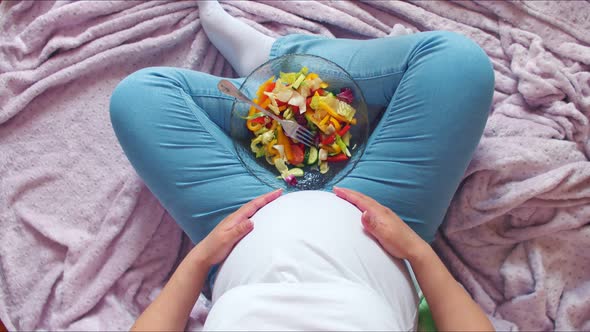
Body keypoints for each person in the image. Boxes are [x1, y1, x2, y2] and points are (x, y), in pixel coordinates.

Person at [109, 1, 495, 330]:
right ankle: (289, 73)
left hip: (239, 225)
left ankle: (279, 75)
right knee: (457, 62)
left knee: (139, 96)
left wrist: (201, 259)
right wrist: (417, 252)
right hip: (386, 220)